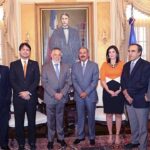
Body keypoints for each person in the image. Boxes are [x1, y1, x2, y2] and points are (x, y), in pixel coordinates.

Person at [9, 42, 40, 150]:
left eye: (27, 50)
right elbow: (12, 81)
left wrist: (28, 92)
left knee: (32, 122)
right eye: (23, 49)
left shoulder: (35, 64)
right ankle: (21, 143)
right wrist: (22, 93)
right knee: (19, 122)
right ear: (20, 51)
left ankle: (32, 142)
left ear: (29, 52)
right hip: (19, 99)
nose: (25, 51)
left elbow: (36, 80)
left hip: (31, 98)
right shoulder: (13, 64)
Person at [121, 43, 150, 150]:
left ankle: (142, 147)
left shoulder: (146, 65)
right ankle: (134, 141)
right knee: (133, 124)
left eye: (133, 51)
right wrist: (125, 94)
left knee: (142, 127)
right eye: (129, 51)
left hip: (140, 100)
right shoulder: (126, 65)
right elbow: (123, 81)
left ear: (139, 53)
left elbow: (142, 83)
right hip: (128, 100)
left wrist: (129, 94)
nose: (130, 53)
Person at [41, 48, 71, 149]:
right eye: (55, 54)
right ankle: (50, 140)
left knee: (60, 118)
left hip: (62, 98)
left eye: (59, 55)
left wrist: (62, 93)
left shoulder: (66, 67)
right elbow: (44, 82)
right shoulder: (45, 67)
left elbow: (68, 82)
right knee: (50, 120)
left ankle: (61, 138)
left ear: (61, 56)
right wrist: (54, 94)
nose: (57, 56)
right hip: (50, 97)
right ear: (51, 55)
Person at [72, 47, 99, 145]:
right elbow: (74, 80)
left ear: (88, 54)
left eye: (84, 52)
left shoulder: (94, 65)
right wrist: (80, 92)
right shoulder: (74, 66)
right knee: (80, 117)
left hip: (90, 96)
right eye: (80, 53)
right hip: (79, 96)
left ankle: (92, 137)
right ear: (78, 55)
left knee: (91, 117)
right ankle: (80, 136)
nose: (82, 54)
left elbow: (94, 81)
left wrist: (86, 92)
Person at [100, 45, 125, 147]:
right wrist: (109, 91)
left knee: (118, 114)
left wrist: (120, 90)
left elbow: (125, 79)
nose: (111, 54)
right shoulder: (104, 64)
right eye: (109, 52)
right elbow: (102, 80)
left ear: (117, 53)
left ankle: (117, 135)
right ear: (108, 54)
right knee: (109, 114)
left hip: (120, 92)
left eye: (113, 52)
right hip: (107, 92)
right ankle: (110, 134)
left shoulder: (123, 64)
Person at [0, 65, 11, 150]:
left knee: (4, 125)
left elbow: (9, 86)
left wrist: (7, 100)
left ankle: (4, 144)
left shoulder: (5, 69)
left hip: (4, 103)